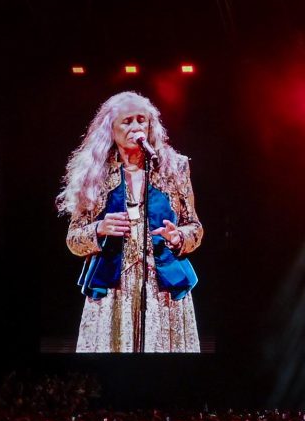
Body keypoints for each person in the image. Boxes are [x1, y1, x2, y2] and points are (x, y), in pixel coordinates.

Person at [57, 91, 203, 352]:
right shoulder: (94, 171)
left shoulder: (175, 167)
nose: (136, 127)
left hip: (163, 291)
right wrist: (98, 229)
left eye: (141, 120)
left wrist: (179, 236)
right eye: (127, 121)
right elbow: (73, 240)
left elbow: (195, 227)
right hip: (115, 291)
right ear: (110, 128)